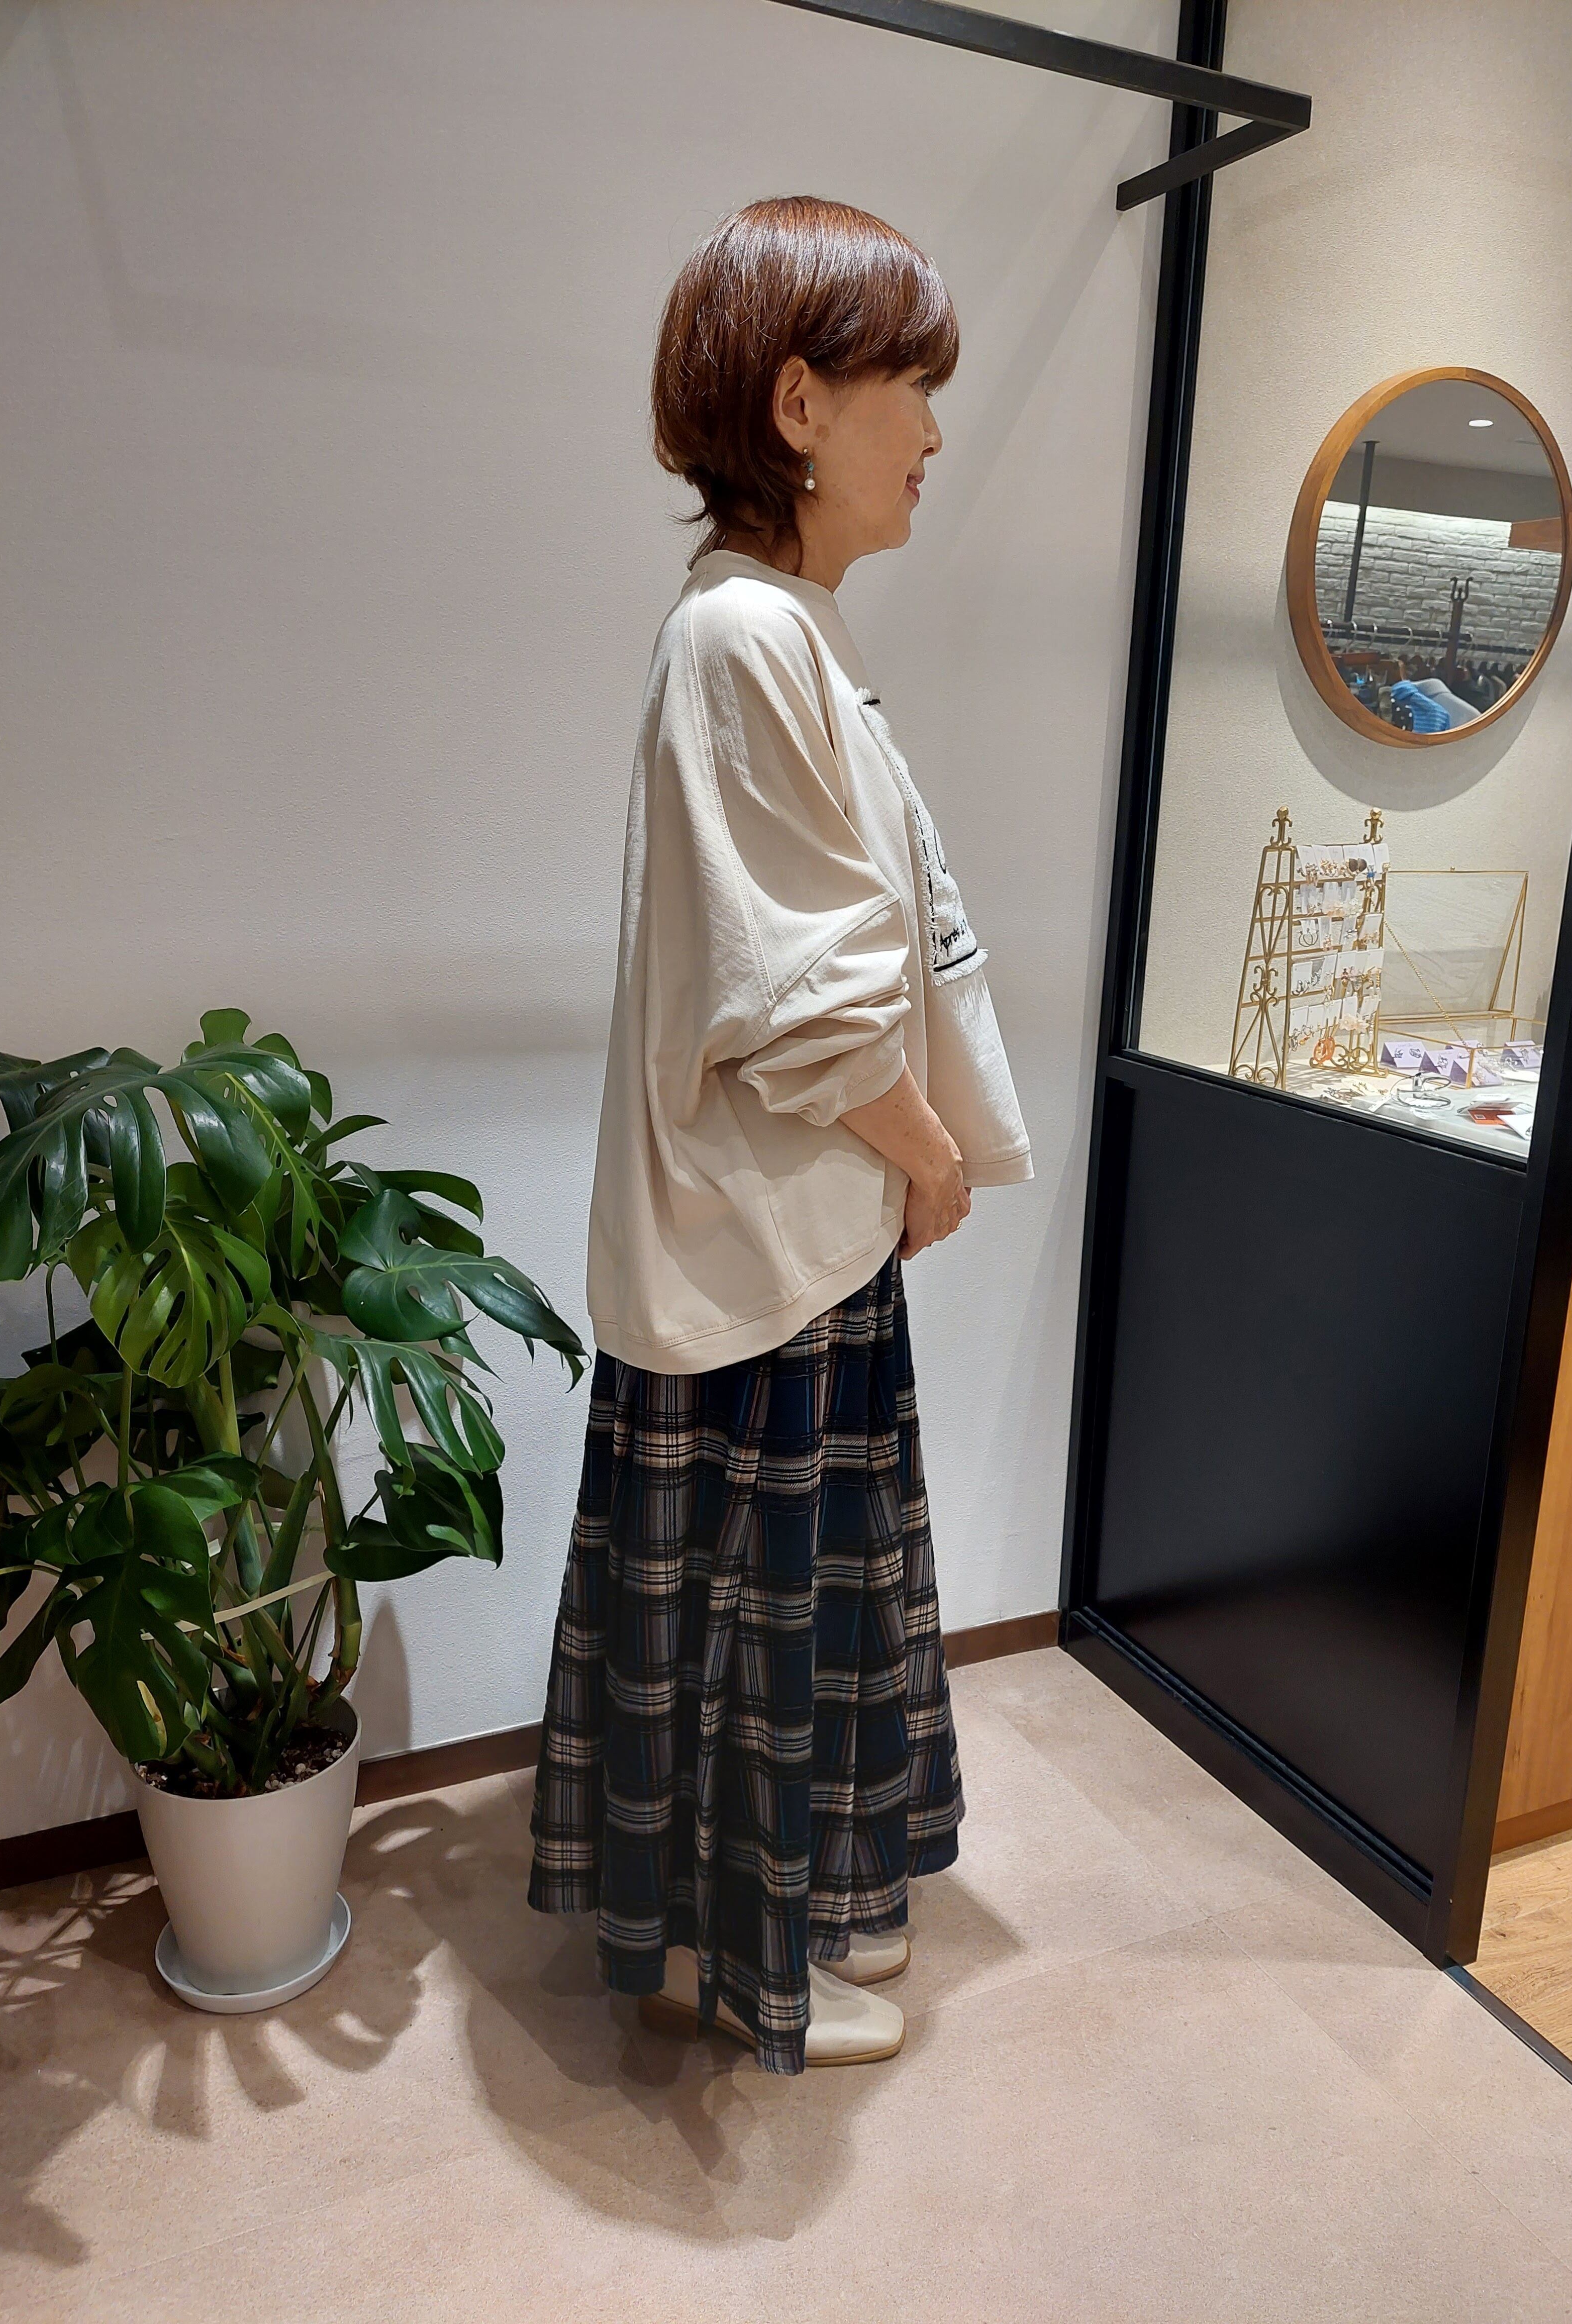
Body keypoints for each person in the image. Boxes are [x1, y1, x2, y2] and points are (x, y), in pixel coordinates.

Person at [528, 195, 1032, 2074]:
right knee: (756, 1617)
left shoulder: (779, 633)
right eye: (911, 388)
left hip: (791, 1233)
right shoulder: (747, 636)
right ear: (802, 405)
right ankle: (718, 1961)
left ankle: (784, 1920)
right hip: (767, 1239)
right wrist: (930, 1155)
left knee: (781, 1612)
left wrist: (911, 1156)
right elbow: (798, 993)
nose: (933, 432)